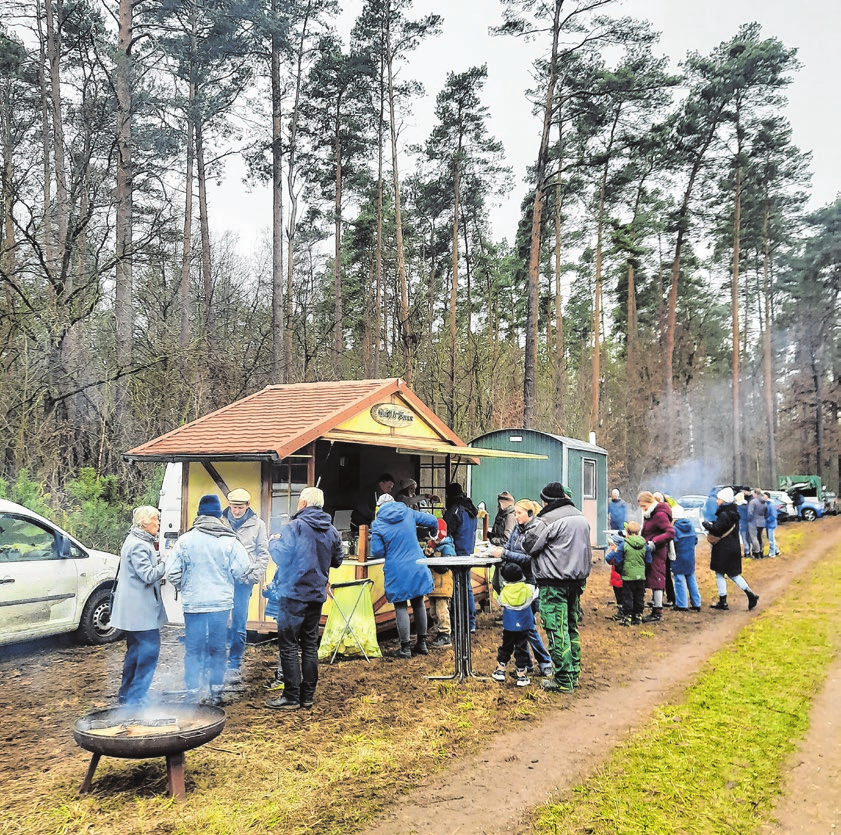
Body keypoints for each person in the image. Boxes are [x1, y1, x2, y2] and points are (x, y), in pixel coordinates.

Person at [264, 486, 343, 710]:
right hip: (316, 595)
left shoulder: (295, 526)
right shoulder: (332, 530)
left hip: (293, 593)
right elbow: (337, 560)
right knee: (309, 644)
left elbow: (281, 556)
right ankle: (307, 696)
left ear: (304, 504)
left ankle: (290, 696)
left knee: (288, 645)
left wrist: (272, 542)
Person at [166, 494, 250, 704]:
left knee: (193, 648)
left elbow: (171, 572)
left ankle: (193, 692)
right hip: (220, 605)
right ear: (218, 514)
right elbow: (243, 568)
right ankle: (216, 692)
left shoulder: (185, 540)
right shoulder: (229, 539)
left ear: (199, 514)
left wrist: (185, 587)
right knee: (218, 647)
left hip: (194, 605)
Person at [521, 482, 592, 693]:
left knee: (555, 630)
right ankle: (573, 673)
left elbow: (529, 546)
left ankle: (562, 679)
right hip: (577, 581)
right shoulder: (580, 517)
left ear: (545, 501)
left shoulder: (547, 520)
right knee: (571, 627)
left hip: (554, 582)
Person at [110, 506, 169, 705]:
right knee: (148, 653)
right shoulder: (139, 545)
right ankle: (137, 698)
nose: (159, 524)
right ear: (144, 523)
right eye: (156, 520)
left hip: (133, 612)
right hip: (141, 613)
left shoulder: (135, 540)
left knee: (134, 653)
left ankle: (126, 694)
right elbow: (148, 575)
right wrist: (166, 564)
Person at [489, 499, 552, 676]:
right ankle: (525, 666)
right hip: (515, 580)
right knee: (523, 627)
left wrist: (505, 554)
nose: (515, 517)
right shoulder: (518, 528)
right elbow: (509, 546)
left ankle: (544, 662)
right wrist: (501, 552)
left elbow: (529, 558)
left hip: (529, 581)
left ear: (529, 514)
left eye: (518, 513)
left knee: (528, 627)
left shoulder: (536, 529)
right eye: (515, 513)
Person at [371, 494, 438, 658]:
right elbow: (433, 521)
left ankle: (405, 648)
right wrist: (433, 535)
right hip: (417, 564)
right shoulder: (408, 512)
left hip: (396, 568)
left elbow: (377, 551)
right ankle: (422, 643)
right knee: (418, 602)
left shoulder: (378, 523)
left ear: (379, 507)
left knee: (401, 606)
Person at [222, 487, 270, 685]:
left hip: (243, 582)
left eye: (240, 507)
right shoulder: (220, 522)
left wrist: (253, 576)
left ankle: (234, 664)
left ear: (248, 506)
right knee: (217, 623)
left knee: (239, 624)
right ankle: (216, 663)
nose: (236, 511)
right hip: (221, 580)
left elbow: (263, 553)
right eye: (233, 506)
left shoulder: (258, 525)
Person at [703, 487, 760, 612]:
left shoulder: (724, 514)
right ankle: (750, 594)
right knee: (733, 574)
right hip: (732, 547)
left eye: (719, 499)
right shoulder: (732, 513)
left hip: (723, 548)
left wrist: (706, 525)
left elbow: (718, 530)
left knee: (720, 573)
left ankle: (723, 600)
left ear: (724, 500)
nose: (717, 501)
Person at [491, 562, 538, 688]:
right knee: (521, 648)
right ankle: (521, 675)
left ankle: (500, 670)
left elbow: (498, 597)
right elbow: (536, 592)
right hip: (524, 624)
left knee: (506, 646)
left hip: (509, 624)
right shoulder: (528, 589)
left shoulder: (504, 591)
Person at [443, 482, 479, 632]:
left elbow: (446, 531)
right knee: (467, 588)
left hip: (457, 553)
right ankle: (470, 622)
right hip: (468, 551)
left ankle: (459, 622)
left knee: (457, 588)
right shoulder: (470, 509)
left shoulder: (455, 510)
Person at [638, 491, 675, 623]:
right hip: (649, 550)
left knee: (657, 579)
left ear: (650, 502)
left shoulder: (659, 515)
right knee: (653, 579)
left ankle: (657, 611)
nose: (643, 509)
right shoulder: (649, 515)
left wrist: (654, 541)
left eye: (644, 506)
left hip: (657, 551)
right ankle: (655, 607)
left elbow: (670, 532)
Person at [605, 521, 651, 625]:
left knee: (628, 597)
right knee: (639, 596)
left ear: (627, 532)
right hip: (640, 576)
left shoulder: (624, 545)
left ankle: (627, 617)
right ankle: (638, 616)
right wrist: (644, 572)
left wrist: (621, 571)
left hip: (627, 576)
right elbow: (648, 561)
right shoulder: (645, 544)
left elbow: (618, 560)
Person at [424, 519, 456, 647]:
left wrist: (431, 558)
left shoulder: (447, 548)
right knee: (433, 612)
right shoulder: (435, 547)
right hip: (434, 586)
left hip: (443, 585)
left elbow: (444, 567)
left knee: (442, 611)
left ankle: (445, 634)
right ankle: (440, 631)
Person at [671, 511, 702, 612]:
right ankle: (696, 603)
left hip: (678, 558)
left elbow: (673, 544)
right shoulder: (691, 526)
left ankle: (682, 604)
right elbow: (696, 540)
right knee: (691, 579)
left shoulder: (674, 529)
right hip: (690, 557)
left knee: (679, 581)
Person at [747, 489, 767, 559]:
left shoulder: (753, 502)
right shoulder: (764, 502)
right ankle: (761, 552)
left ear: (755, 493)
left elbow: (750, 513)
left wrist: (748, 520)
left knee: (754, 538)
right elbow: (766, 513)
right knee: (760, 537)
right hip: (762, 521)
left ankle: (757, 552)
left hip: (754, 522)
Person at [764, 491, 781, 557]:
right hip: (769, 524)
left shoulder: (771, 505)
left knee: (771, 539)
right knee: (771, 538)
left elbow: (774, 516)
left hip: (771, 524)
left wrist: (767, 520)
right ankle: (776, 551)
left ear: (767, 497)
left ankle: (772, 553)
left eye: (764, 496)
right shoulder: (768, 504)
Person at [735, 490, 751, 557]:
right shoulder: (748, 506)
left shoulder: (738, 508)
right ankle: (748, 551)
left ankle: (746, 551)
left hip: (741, 524)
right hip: (748, 524)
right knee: (747, 538)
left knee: (743, 539)